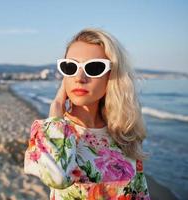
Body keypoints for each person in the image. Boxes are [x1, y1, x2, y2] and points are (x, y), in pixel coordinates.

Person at [24, 28, 150, 199]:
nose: (80, 77)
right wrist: (57, 107)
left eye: (94, 67)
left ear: (112, 75)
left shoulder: (124, 133)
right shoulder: (48, 132)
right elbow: (56, 178)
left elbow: (141, 194)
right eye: (70, 67)